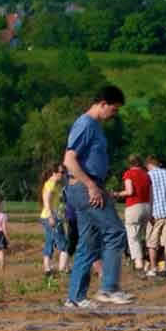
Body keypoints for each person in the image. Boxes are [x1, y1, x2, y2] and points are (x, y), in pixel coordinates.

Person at [63, 86, 135, 308]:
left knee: (88, 243)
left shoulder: (94, 126)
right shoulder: (85, 125)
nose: (115, 114)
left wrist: (99, 188)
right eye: (114, 109)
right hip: (85, 188)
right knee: (115, 232)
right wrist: (92, 186)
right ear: (103, 103)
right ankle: (109, 288)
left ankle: (75, 298)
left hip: (90, 187)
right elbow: (69, 160)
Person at [117, 155, 152, 272]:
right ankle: (146, 261)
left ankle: (138, 264)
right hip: (147, 207)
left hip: (134, 207)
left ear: (130, 164)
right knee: (142, 236)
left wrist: (116, 194)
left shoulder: (128, 174)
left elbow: (129, 191)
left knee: (133, 237)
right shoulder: (147, 175)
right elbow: (151, 195)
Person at [146, 156, 166, 278]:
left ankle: (154, 268)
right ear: (158, 164)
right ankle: (165, 268)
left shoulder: (147, 175)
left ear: (149, 164)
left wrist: (148, 213)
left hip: (154, 214)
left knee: (152, 242)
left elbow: (147, 196)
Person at [40, 164, 70, 277]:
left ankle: (48, 270)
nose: (62, 175)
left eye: (64, 173)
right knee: (64, 244)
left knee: (50, 242)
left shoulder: (57, 184)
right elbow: (46, 202)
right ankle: (62, 271)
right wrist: (50, 217)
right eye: (61, 172)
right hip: (50, 217)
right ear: (54, 172)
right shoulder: (51, 184)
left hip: (54, 217)